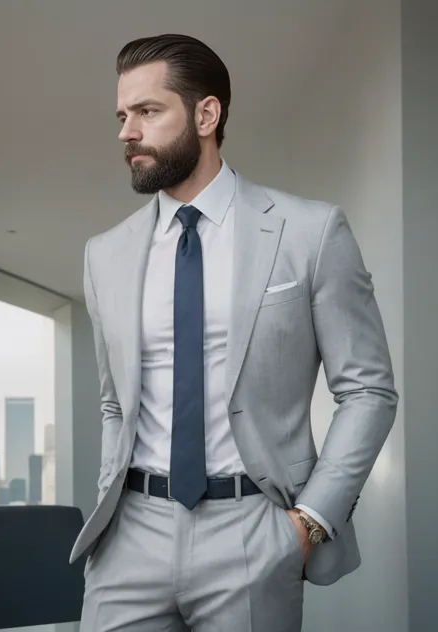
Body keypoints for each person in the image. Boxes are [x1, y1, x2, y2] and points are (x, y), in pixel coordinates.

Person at [70, 33, 398, 632]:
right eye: (122, 115)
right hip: (130, 538)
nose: (126, 131)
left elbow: (369, 391)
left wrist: (308, 523)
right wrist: (109, 507)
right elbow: (114, 403)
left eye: (147, 111)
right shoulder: (104, 255)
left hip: (253, 532)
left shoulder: (309, 232)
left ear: (206, 114)